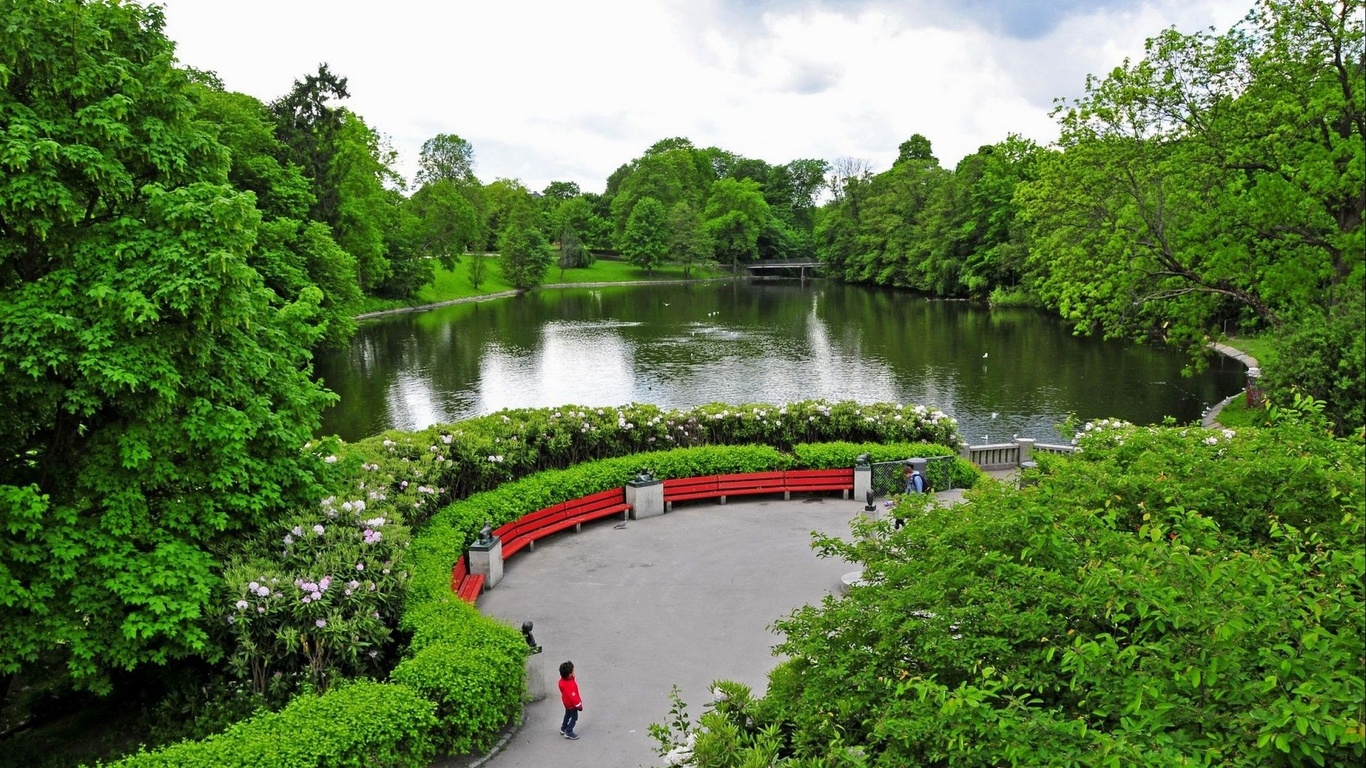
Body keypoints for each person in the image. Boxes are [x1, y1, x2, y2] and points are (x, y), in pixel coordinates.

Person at [558, 660, 583, 740]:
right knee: (574, 717)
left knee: (567, 715)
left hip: (566, 702)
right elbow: (574, 697)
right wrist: (579, 706)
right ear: (569, 674)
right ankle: (569, 731)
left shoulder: (562, 682)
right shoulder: (570, 685)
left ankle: (563, 728)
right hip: (572, 705)